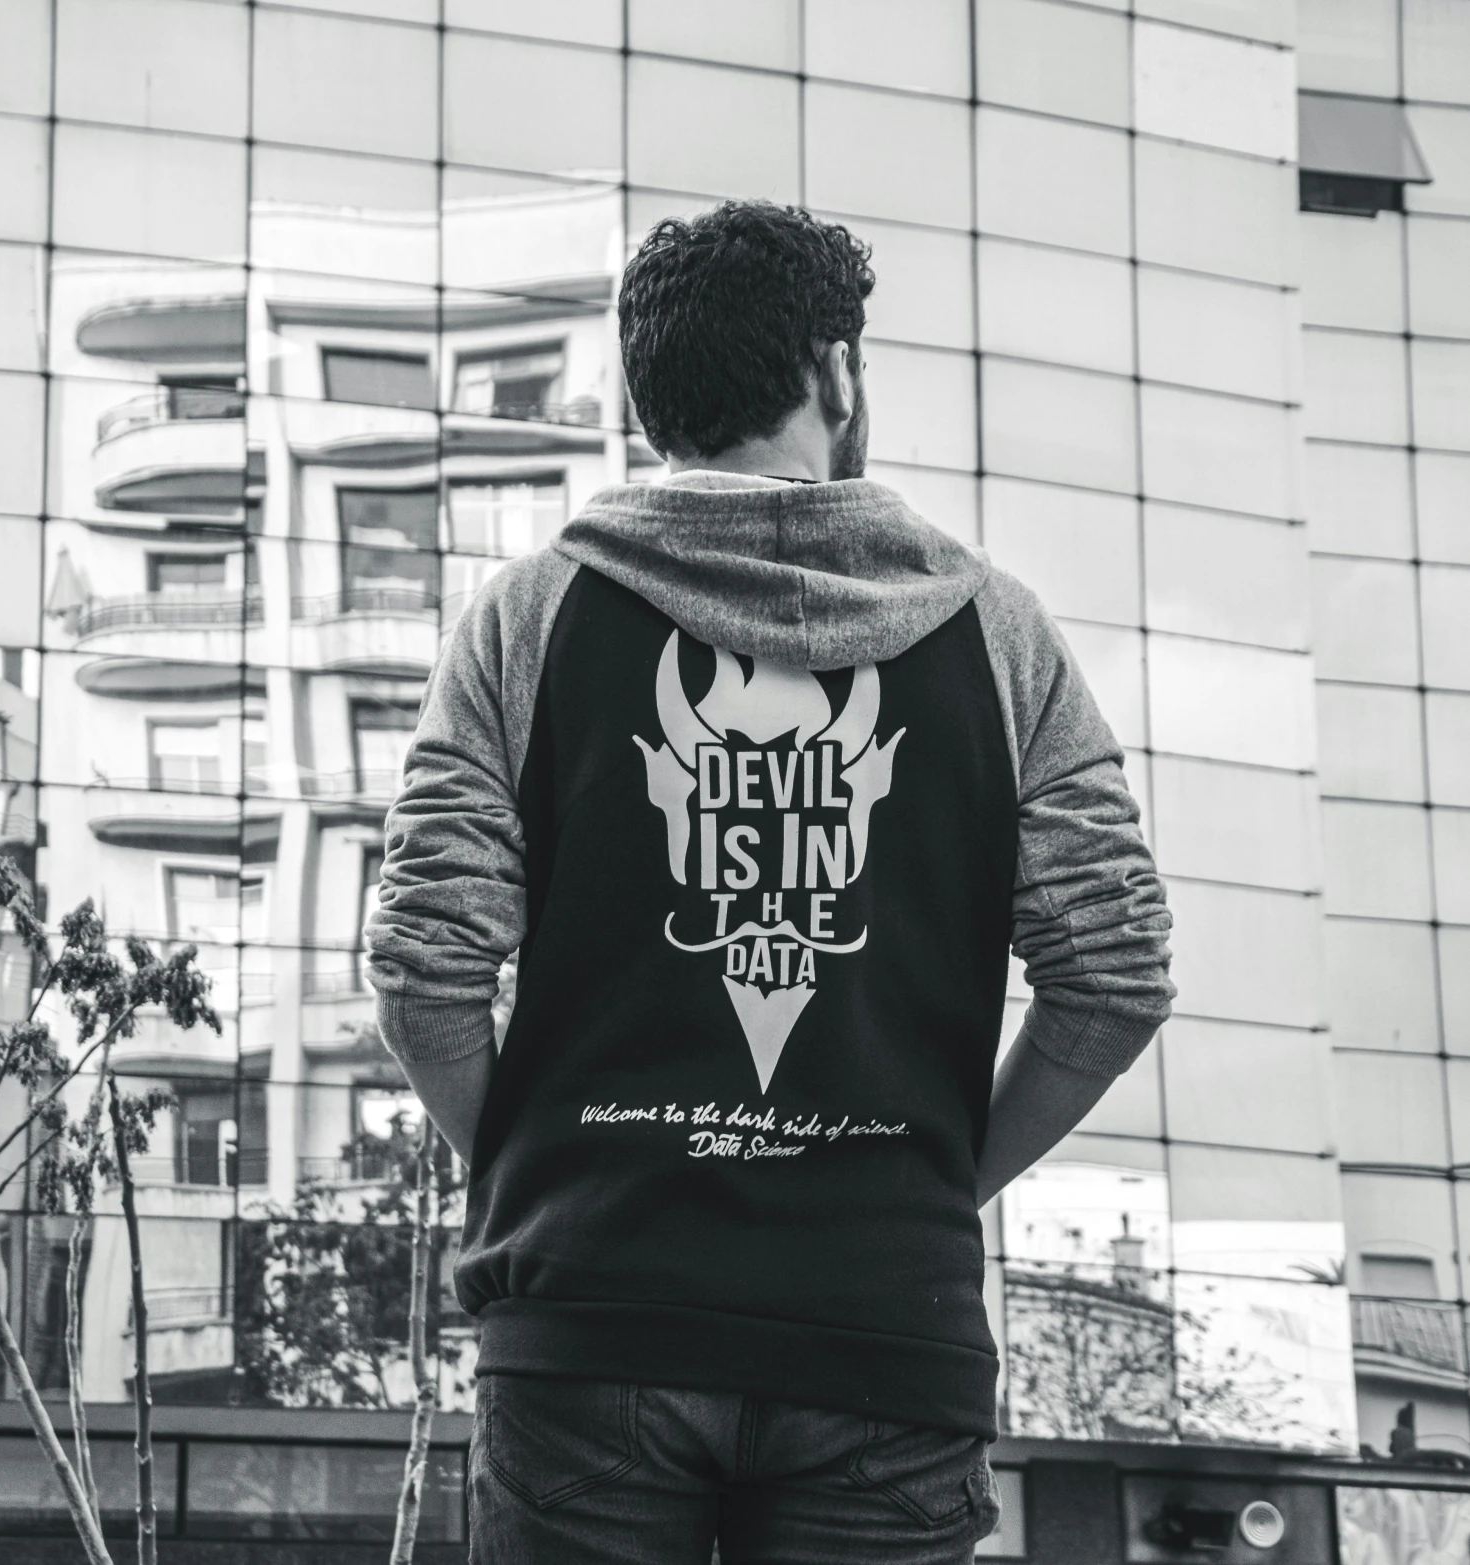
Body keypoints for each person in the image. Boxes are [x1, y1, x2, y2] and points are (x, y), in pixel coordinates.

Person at [364, 201, 1175, 1564]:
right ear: (835, 371)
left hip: (591, 1324)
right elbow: (1114, 980)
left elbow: (422, 973)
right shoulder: (998, 632)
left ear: (645, 399)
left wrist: (539, 1174)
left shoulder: (527, 617)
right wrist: (927, 1187)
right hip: (883, 1333)